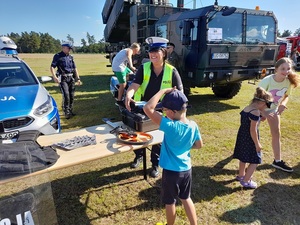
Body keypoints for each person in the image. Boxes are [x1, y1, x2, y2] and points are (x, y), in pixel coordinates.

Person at [125, 36, 183, 178]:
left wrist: (171, 107)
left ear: (164, 52)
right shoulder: (143, 68)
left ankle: (155, 164)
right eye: (151, 51)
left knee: (157, 139)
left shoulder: (172, 70)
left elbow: (180, 93)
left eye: (156, 51)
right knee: (137, 134)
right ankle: (138, 155)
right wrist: (128, 94)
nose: (153, 54)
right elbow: (134, 85)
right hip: (142, 108)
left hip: (161, 111)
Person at [143, 88, 203, 225]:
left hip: (171, 173)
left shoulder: (170, 126)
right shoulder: (193, 125)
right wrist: (186, 147)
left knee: (170, 202)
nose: (164, 113)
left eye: (164, 110)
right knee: (186, 198)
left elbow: (148, 108)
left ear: (172, 112)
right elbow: (199, 145)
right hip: (186, 169)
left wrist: (163, 91)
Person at [258, 57, 300, 172]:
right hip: (257, 108)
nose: (286, 71)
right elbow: (257, 99)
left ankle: (277, 161)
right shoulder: (267, 80)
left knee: (276, 133)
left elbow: (286, 96)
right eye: (283, 68)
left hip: (273, 110)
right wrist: (262, 114)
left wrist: (282, 104)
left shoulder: (288, 82)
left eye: (288, 69)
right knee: (251, 131)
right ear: (276, 69)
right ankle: (242, 151)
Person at [233, 87, 273, 189]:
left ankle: (241, 175)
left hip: (242, 136)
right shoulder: (255, 112)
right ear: (262, 103)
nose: (267, 108)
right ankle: (246, 181)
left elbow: (257, 119)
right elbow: (253, 130)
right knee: (255, 160)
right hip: (251, 138)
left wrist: (262, 115)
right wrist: (257, 143)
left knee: (243, 157)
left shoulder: (248, 108)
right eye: (268, 105)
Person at [50, 41, 81, 119]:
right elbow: (52, 67)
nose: (70, 50)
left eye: (70, 49)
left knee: (71, 95)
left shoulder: (70, 57)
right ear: (63, 48)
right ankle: (66, 111)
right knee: (66, 95)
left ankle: (70, 110)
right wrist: (54, 77)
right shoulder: (57, 56)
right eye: (68, 48)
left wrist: (78, 78)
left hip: (71, 78)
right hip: (63, 79)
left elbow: (75, 68)